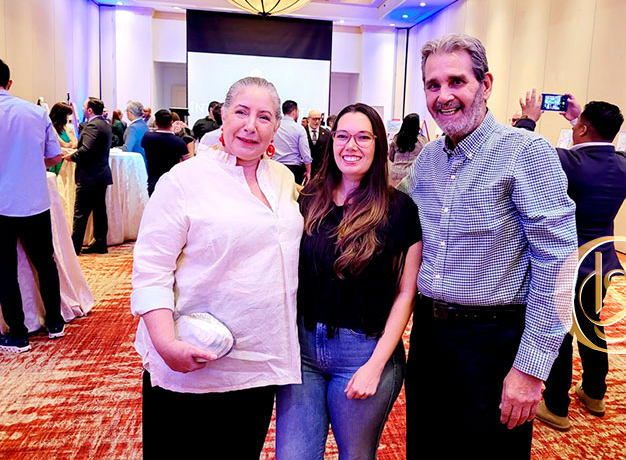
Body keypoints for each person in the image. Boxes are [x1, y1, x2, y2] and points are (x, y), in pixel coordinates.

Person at [398, 33, 578, 458]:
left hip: (494, 344)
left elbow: (559, 264)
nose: (444, 96)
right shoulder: (429, 159)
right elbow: (391, 215)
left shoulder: (526, 152)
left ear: (486, 84)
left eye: (456, 81)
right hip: (429, 339)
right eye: (433, 85)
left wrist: (531, 369)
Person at [131, 77, 302, 459]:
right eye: (241, 112)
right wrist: (166, 344)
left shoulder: (281, 178)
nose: (251, 125)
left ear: (277, 126)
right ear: (222, 115)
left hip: (258, 364)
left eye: (264, 117)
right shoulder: (184, 180)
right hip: (192, 360)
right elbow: (151, 269)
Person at [276, 103, 422, 459]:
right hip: (303, 351)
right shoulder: (309, 199)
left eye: (362, 137)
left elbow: (406, 293)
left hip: (364, 351)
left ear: (378, 143)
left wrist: (375, 365)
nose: (350, 145)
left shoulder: (399, 209)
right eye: (342, 136)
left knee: (355, 455)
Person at [515, 89, 626, 431]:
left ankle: (556, 405)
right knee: (591, 325)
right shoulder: (625, 164)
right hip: (602, 261)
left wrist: (529, 119)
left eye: (579, 124)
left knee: (561, 333)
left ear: (583, 129)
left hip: (565, 262)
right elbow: (596, 145)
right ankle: (595, 393)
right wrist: (575, 120)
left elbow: (520, 152)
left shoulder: (568, 162)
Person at [0, 58, 66, 353]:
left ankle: (17, 334)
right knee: (45, 262)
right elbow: (54, 156)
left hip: (1, 205)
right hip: (34, 200)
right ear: (9, 83)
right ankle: (55, 322)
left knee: (5, 270)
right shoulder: (36, 112)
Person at [67, 97, 113, 255]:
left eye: (84, 107)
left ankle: (74, 247)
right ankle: (100, 243)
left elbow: (86, 150)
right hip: (101, 174)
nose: (82, 109)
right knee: (99, 211)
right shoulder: (105, 124)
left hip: (89, 175)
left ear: (90, 110)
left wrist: (70, 157)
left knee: (81, 213)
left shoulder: (93, 125)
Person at [141, 109, 189, 196]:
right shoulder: (179, 141)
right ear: (171, 122)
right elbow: (187, 161)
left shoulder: (147, 137)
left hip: (153, 180)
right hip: (173, 182)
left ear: (155, 122)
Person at [272, 100, 312, 184]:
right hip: (293, 169)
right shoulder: (299, 129)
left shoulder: (274, 127)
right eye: (298, 111)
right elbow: (305, 152)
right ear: (294, 111)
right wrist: (308, 172)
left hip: (275, 167)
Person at [388, 113, 428, 186]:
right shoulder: (422, 141)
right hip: (412, 176)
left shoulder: (396, 139)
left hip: (395, 174)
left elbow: (391, 157)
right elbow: (425, 160)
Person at [48, 102, 78, 175]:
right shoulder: (51, 128)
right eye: (67, 116)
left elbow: (75, 143)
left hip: (67, 162)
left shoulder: (65, 127)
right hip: (58, 162)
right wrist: (68, 146)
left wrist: (69, 146)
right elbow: (63, 144)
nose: (67, 118)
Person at [306, 109, 330, 178]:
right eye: (314, 119)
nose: (316, 121)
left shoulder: (326, 134)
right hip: (304, 170)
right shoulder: (302, 132)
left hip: (320, 171)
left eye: (319, 119)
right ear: (308, 119)